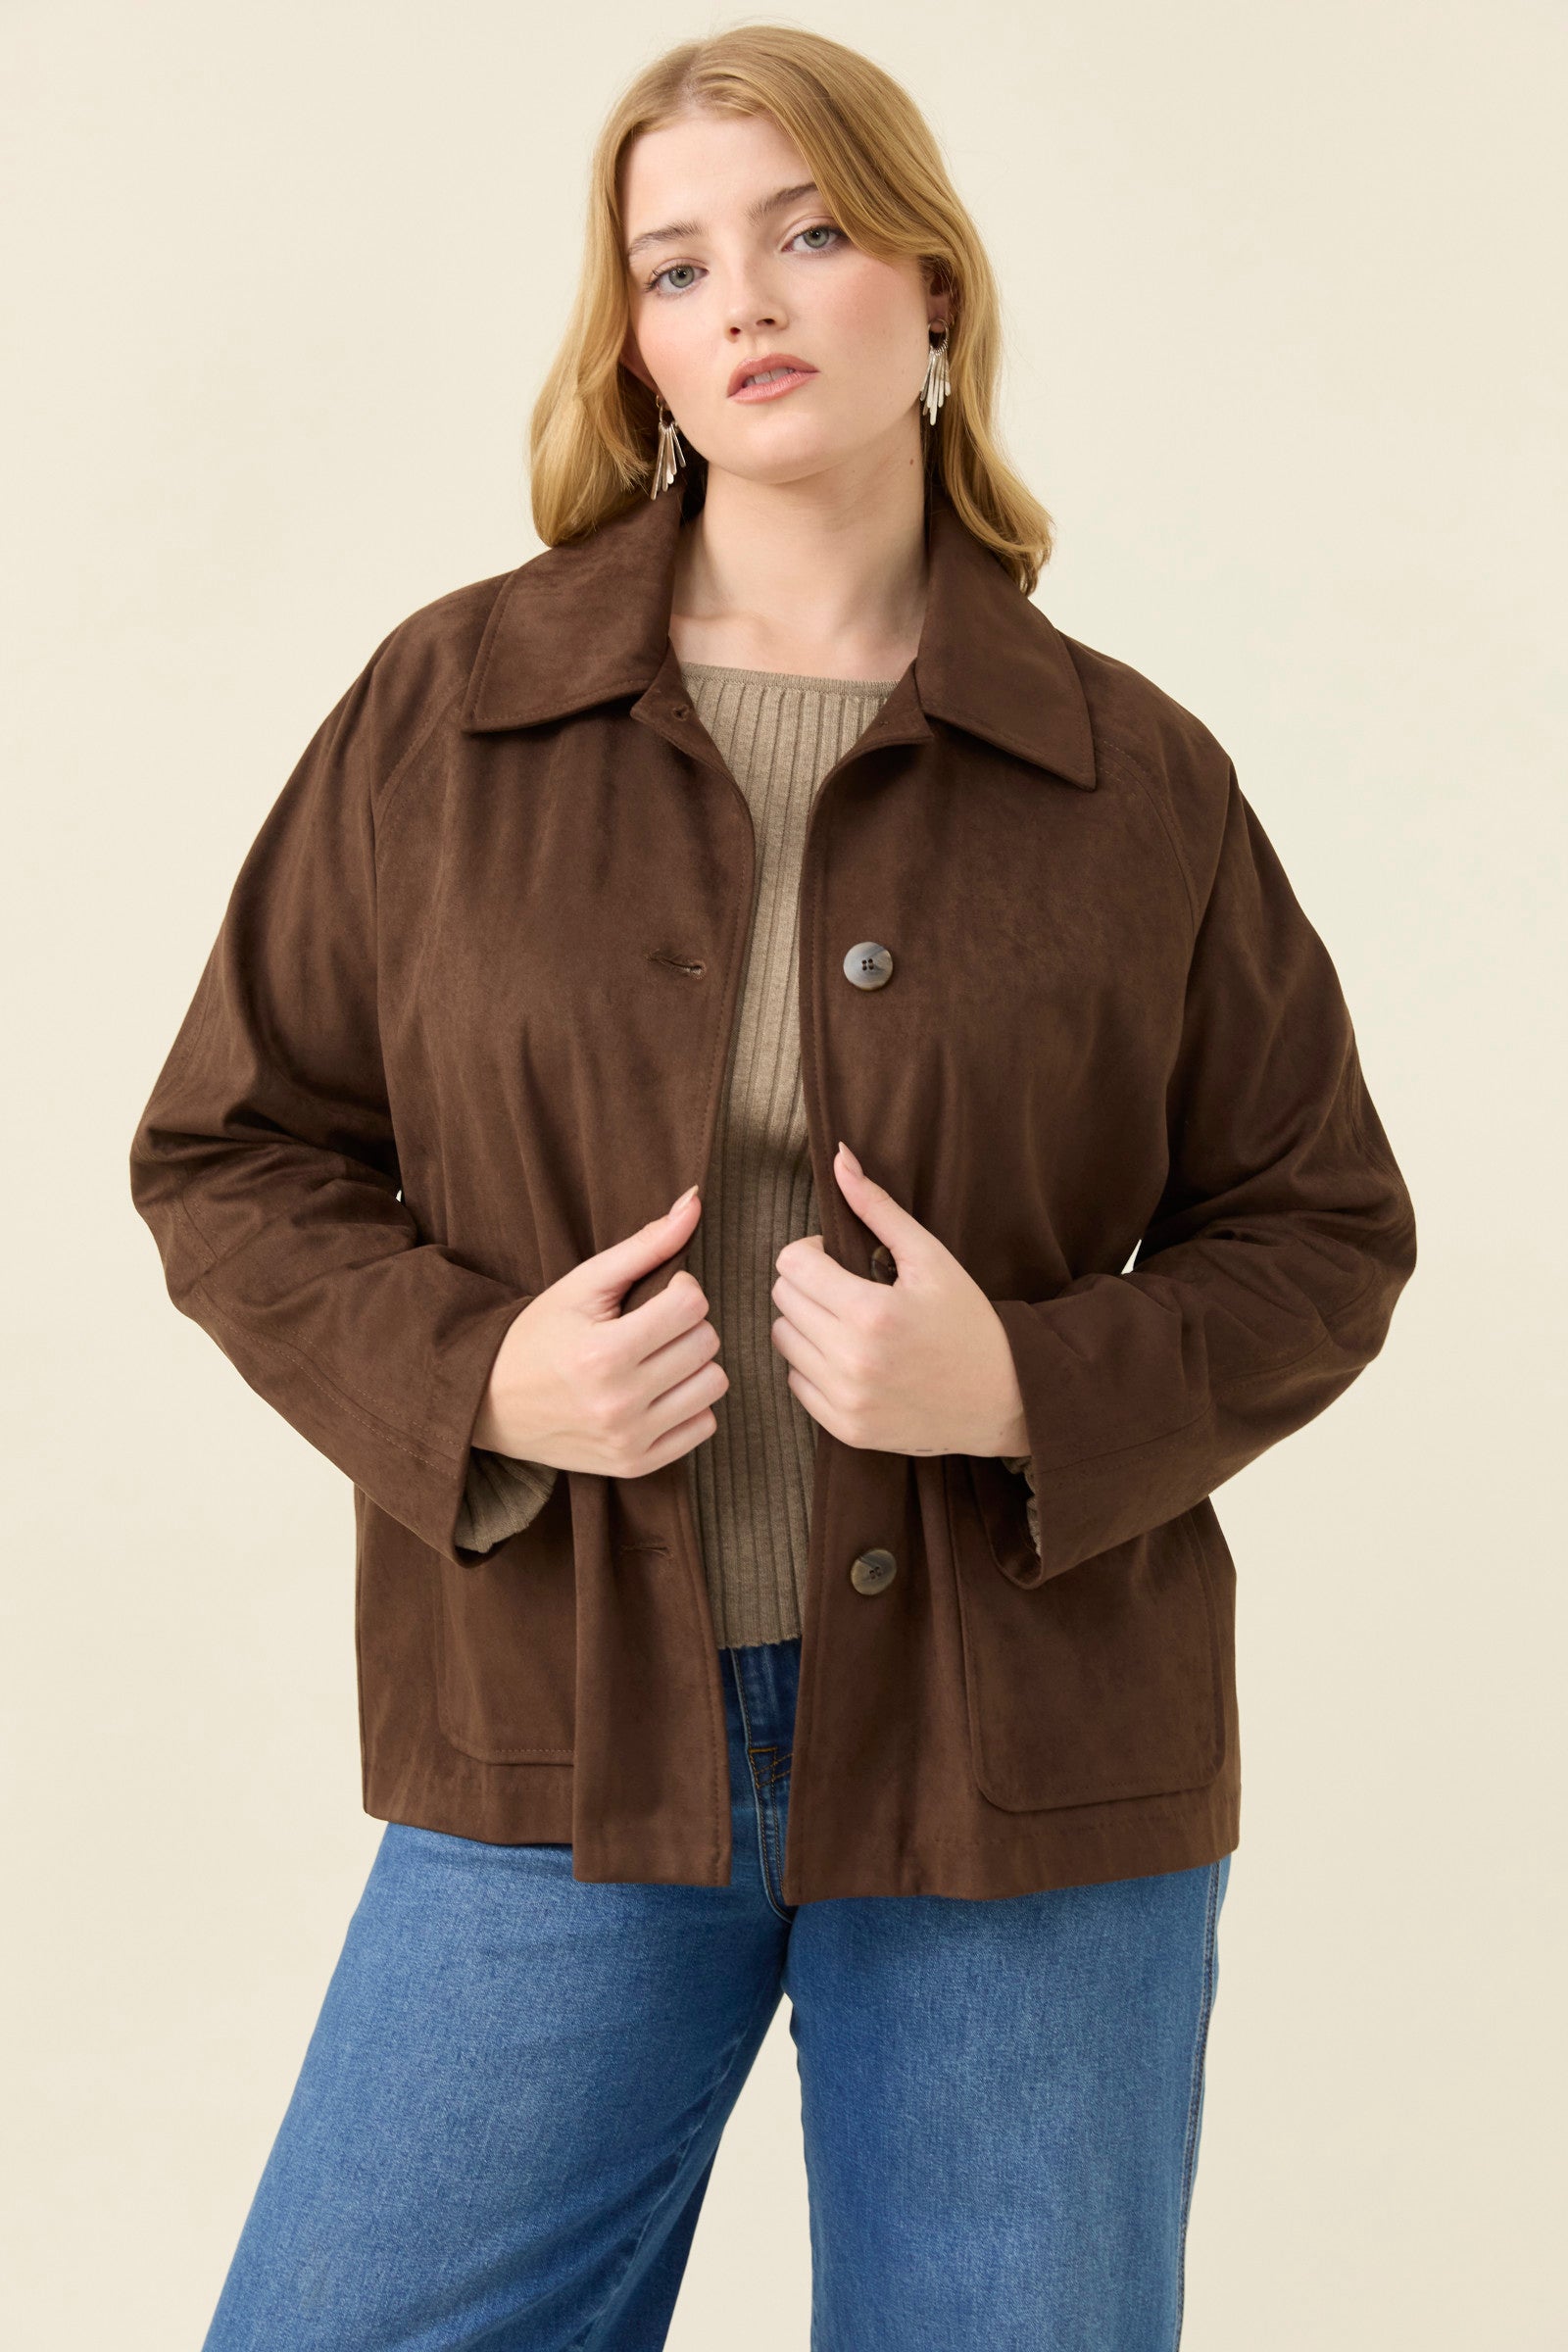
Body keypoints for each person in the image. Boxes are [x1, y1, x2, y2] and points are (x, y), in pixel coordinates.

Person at [128, 24, 1417, 2349]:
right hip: (561, 1729)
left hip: (1029, 1769)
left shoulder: (1129, 776)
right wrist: (477, 1379)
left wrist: (1020, 1387)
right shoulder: (450, 713)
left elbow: (1320, 1227)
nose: (742, 296)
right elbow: (230, 1150)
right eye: (673, 263)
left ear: (928, 287)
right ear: (631, 344)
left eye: (808, 231)